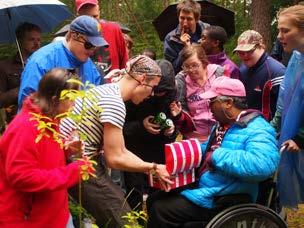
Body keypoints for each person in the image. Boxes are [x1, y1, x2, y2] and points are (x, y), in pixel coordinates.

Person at [147, 76, 280, 228]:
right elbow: (207, 150)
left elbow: (262, 165)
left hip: (227, 196)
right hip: (208, 184)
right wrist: (181, 156)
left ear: (228, 103)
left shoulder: (258, 129)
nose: (208, 106)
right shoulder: (222, 126)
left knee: (162, 211)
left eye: (212, 101)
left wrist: (217, 155)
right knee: (155, 198)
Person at [60, 55, 172, 228]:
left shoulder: (106, 90)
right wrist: (154, 168)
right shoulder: (114, 103)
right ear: (142, 79)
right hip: (80, 165)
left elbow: (120, 151)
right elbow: (115, 158)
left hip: (74, 161)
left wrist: (152, 167)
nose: (151, 94)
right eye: (152, 88)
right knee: (126, 223)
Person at [0, 68, 89, 227]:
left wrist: (66, 150)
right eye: (71, 98)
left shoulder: (48, 119)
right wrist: (73, 172)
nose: (75, 104)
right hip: (30, 221)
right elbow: (22, 176)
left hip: (56, 214)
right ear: (55, 100)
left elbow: (41, 156)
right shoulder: (26, 127)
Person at [18, 16, 107, 109]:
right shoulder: (41, 62)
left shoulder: (90, 66)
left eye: (96, 46)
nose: (92, 51)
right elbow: (29, 105)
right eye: (89, 45)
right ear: (73, 35)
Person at [123, 59, 177, 212]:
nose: (155, 94)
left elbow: (172, 119)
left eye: (161, 92)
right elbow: (120, 128)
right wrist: (141, 125)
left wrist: (171, 130)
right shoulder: (133, 93)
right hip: (133, 150)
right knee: (134, 192)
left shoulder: (171, 93)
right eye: (154, 90)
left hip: (159, 149)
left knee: (159, 191)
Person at [271, 4, 304, 208]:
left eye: (285, 30)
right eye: (278, 31)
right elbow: (286, 95)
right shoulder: (297, 58)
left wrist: (301, 136)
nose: (279, 36)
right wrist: (275, 125)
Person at [171, 44, 225, 141]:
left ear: (204, 62)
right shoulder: (181, 82)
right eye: (186, 66)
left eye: (195, 65)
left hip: (221, 132)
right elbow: (182, 108)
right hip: (195, 136)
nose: (191, 70)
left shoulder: (218, 74)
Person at [234, 30, 286, 121]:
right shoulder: (242, 68)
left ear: (261, 47)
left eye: (249, 51)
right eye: (241, 52)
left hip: (268, 129)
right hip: (246, 126)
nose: (245, 55)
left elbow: (284, 109)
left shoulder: (276, 72)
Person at [0, 22, 41, 126]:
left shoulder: (44, 65)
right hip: (17, 123)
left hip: (43, 120)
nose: (37, 43)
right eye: (31, 40)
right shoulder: (5, 67)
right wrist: (23, 87)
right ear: (20, 41)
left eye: (39, 40)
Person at [76, 0, 129, 75]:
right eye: (87, 18)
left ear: (99, 12)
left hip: (113, 84)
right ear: (78, 16)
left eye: (95, 16)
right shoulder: (75, 36)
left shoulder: (113, 29)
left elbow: (124, 63)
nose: (92, 22)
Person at [164, 0, 209, 74]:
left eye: (189, 19)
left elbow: (214, 55)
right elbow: (172, 69)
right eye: (182, 18)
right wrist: (185, 49)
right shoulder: (170, 39)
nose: (184, 23)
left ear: (196, 19)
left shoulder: (207, 31)